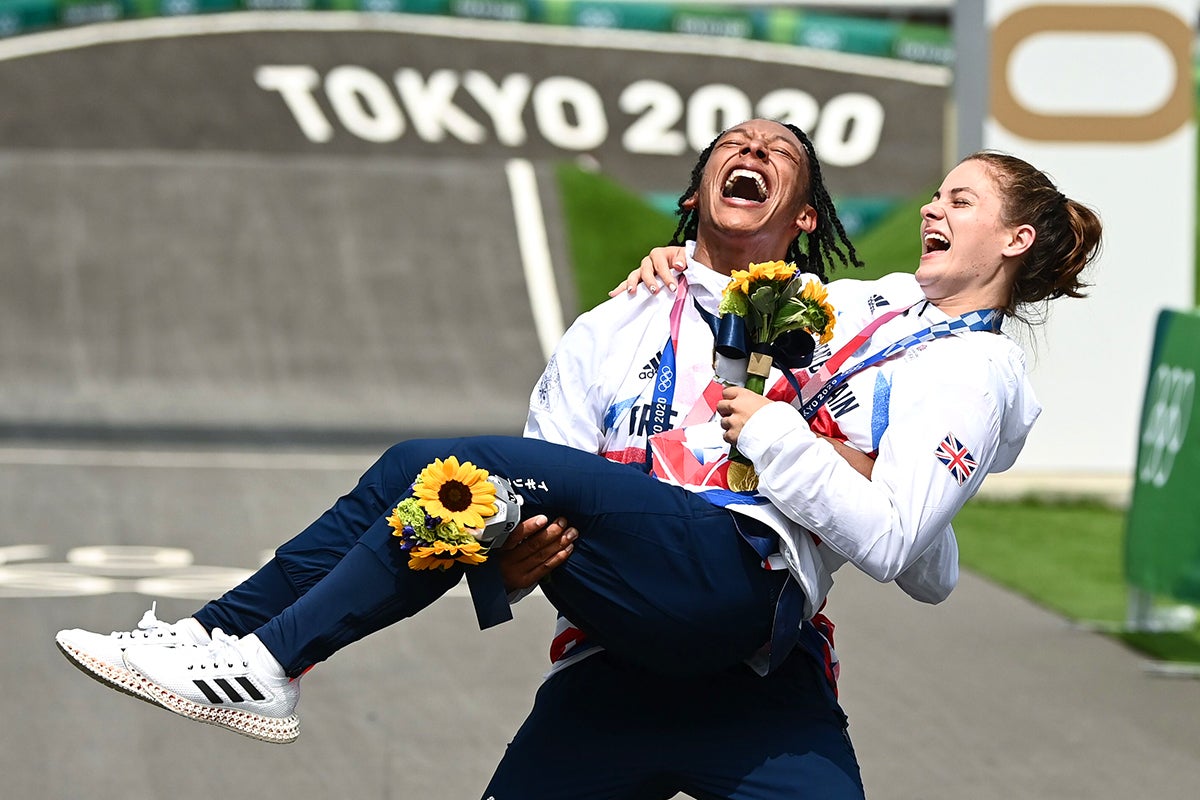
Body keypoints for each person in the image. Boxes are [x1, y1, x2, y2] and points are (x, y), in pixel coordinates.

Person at [59, 134, 1102, 799]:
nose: (749, 147)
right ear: (691, 201)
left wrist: (777, 433)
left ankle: (266, 656)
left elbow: (913, 533)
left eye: (960, 199)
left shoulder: (849, 323)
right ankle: (223, 640)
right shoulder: (653, 319)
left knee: (437, 458)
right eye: (729, 146)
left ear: (806, 225)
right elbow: (535, 486)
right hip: (611, 646)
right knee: (435, 474)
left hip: (748, 637)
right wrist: (500, 564)